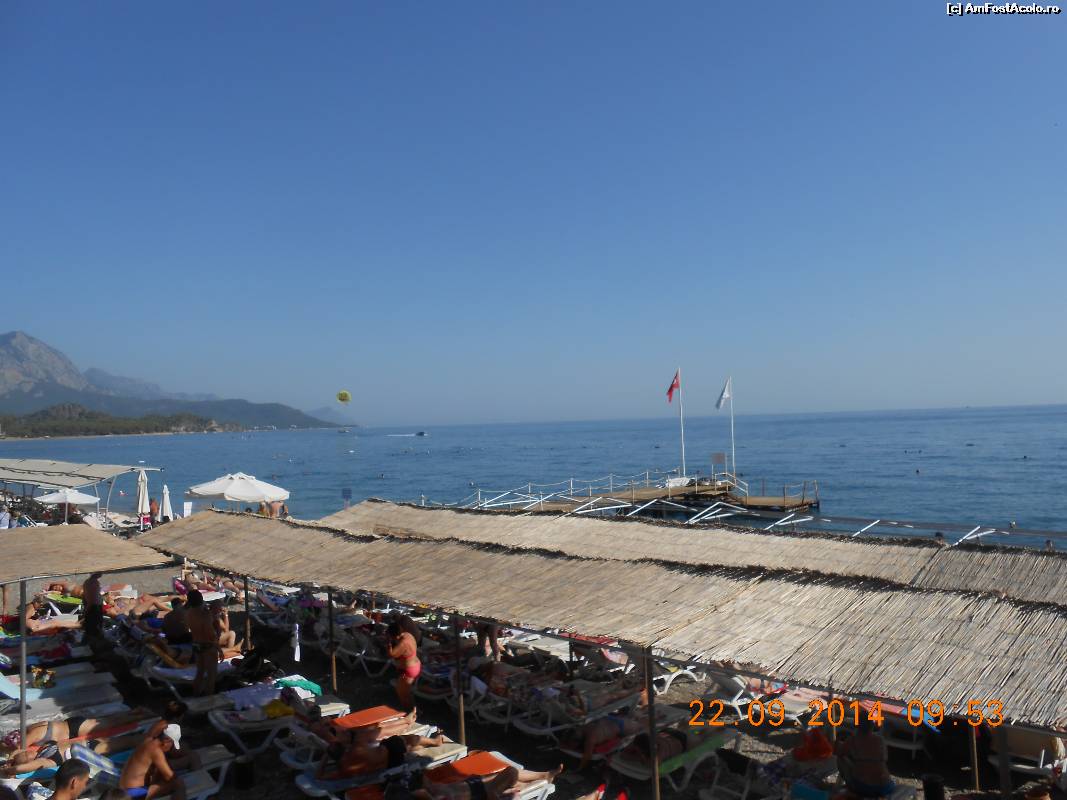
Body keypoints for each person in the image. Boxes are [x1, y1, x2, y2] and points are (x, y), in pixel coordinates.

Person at [397, 762, 563, 800]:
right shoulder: (432, 795)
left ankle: (544, 775)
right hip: (482, 792)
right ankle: (544, 777)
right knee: (511, 772)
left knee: (511, 774)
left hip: (474, 783)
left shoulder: (431, 788)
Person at [331, 727, 447, 777]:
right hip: (391, 751)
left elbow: (321, 776)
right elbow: (368, 739)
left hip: (390, 765)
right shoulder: (356, 747)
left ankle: (422, 746)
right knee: (410, 739)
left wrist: (326, 756)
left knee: (406, 746)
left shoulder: (343, 768)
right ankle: (435, 742)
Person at [119, 725, 186, 800]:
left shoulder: (148, 741)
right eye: (172, 745)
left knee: (158, 775)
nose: (171, 748)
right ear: (166, 741)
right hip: (132, 793)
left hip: (123, 790)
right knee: (178, 783)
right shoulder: (156, 751)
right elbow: (170, 777)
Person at [836, 717, 894, 797]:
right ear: (872, 726)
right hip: (885, 786)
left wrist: (838, 741)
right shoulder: (880, 740)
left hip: (863, 787)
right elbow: (885, 758)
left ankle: (848, 786)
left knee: (841, 759)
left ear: (857, 726)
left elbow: (838, 752)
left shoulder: (853, 740)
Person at [185, 590, 218, 697]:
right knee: (211, 675)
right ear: (201, 599)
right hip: (207, 645)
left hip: (196, 644)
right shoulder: (205, 614)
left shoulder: (189, 612)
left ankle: (196, 696)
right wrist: (217, 645)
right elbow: (210, 633)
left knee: (200, 672)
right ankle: (208, 700)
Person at [386, 621, 420, 711]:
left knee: (403, 694)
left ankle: (409, 713)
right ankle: (415, 711)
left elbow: (392, 654)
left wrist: (389, 644)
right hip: (415, 665)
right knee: (407, 693)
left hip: (409, 670)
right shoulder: (408, 635)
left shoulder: (403, 643)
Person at [82, 571, 104, 636]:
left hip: (94, 607)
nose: (101, 573)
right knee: (94, 628)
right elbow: (91, 599)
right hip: (94, 607)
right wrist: (87, 610)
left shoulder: (88, 582)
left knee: (92, 627)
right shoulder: (93, 582)